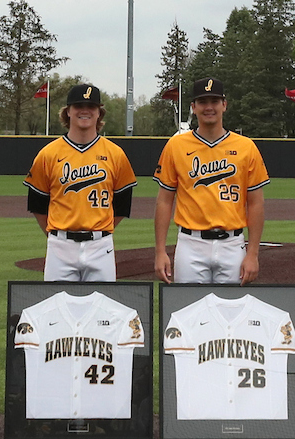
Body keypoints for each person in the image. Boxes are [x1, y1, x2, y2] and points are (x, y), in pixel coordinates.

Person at [151, 77, 268, 285]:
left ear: (224, 105)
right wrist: (160, 251)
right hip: (190, 243)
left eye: (214, 101)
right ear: (193, 107)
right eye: (203, 102)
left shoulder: (246, 147)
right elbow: (164, 200)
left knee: (231, 312)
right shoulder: (176, 145)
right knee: (189, 313)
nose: (209, 107)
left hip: (232, 244)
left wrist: (253, 254)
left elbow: (256, 202)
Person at [23, 83, 137, 282]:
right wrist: (57, 234)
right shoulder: (48, 154)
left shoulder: (115, 154)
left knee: (102, 309)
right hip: (60, 246)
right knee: (57, 307)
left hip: (101, 246)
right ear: (68, 112)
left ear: (99, 113)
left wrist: (100, 230)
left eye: (91, 106)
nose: (85, 111)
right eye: (78, 106)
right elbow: (37, 205)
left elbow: (122, 205)